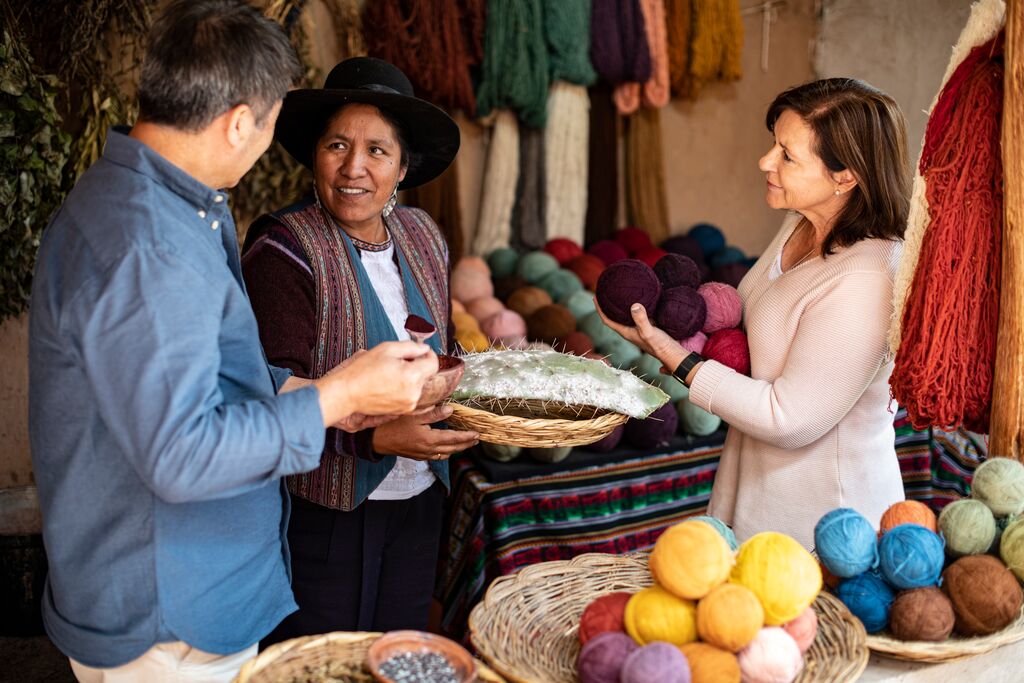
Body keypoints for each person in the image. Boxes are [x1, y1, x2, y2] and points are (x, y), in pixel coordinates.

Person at [28, 4, 438, 682]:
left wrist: (304, 392)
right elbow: (181, 455)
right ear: (240, 122)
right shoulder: (148, 244)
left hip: (174, 592)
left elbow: (192, 373)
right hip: (168, 616)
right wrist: (335, 397)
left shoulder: (166, 203)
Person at [599, 78, 911, 550]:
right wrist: (674, 326)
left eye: (787, 154)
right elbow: (760, 331)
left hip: (827, 529)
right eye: (773, 145)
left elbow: (789, 419)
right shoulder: (799, 224)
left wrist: (677, 359)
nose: (766, 162)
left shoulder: (869, 278)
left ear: (845, 176)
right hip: (756, 490)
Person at [240, 57, 479, 643]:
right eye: (337, 145)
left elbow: (440, 351)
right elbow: (268, 393)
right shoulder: (284, 249)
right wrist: (373, 437)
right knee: (326, 660)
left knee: (395, 653)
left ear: (402, 167)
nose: (355, 168)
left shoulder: (423, 236)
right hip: (327, 516)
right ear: (314, 155)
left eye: (377, 151)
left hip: (419, 500)